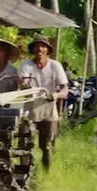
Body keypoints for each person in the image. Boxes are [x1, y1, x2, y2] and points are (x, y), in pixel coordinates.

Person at [19, 36, 68, 170]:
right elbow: (22, 82)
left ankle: (47, 172)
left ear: (47, 50)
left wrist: (57, 95)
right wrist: (25, 85)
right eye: (37, 46)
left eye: (43, 46)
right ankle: (23, 171)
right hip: (30, 108)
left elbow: (65, 89)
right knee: (24, 143)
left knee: (46, 145)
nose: (40, 49)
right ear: (33, 49)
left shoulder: (55, 65)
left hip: (48, 107)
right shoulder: (27, 65)